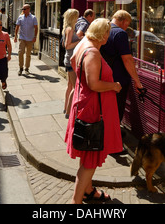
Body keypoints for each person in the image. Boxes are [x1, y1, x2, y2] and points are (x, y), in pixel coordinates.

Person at [65, 18, 122, 204]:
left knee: (88, 153)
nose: (109, 35)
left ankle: (88, 190)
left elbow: (73, 62)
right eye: (108, 32)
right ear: (102, 34)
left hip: (85, 104)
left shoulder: (83, 44)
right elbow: (94, 84)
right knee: (90, 160)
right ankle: (76, 201)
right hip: (93, 110)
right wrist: (114, 86)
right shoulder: (93, 52)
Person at [100, 10, 144, 123]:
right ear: (124, 21)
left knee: (104, 110)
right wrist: (137, 81)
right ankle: (112, 137)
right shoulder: (120, 33)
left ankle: (103, 135)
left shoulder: (103, 29)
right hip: (118, 81)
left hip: (103, 78)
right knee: (116, 111)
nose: (127, 27)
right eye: (128, 24)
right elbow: (127, 59)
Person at [62, 9, 81, 118]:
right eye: (77, 17)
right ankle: (69, 113)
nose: (78, 19)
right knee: (75, 87)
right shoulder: (69, 29)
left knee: (70, 85)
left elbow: (65, 44)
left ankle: (65, 108)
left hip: (68, 59)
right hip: (71, 60)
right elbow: (67, 46)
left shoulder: (67, 28)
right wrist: (80, 40)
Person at [14, 4, 38, 75]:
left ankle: (26, 68)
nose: (23, 10)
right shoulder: (20, 17)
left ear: (28, 9)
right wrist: (15, 36)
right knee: (21, 52)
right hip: (22, 38)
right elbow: (17, 27)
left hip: (30, 39)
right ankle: (21, 68)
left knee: (28, 54)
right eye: (22, 9)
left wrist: (35, 37)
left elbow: (36, 28)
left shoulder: (33, 18)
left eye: (24, 9)